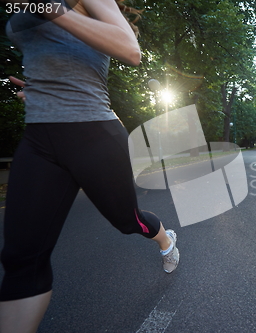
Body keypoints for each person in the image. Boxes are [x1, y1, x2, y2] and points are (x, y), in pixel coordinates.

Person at [0, 1, 180, 332]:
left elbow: (130, 50)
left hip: (94, 133)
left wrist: (54, 10)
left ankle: (166, 241)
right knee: (21, 259)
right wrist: (43, 90)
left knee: (129, 221)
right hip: (39, 137)